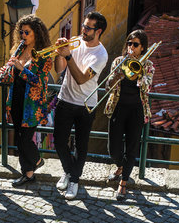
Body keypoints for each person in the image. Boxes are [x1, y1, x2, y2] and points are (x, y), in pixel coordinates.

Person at [53, 11, 108, 200]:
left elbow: (82, 78)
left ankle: (74, 180)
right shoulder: (75, 42)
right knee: (59, 141)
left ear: (98, 31)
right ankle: (69, 171)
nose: (83, 30)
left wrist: (68, 56)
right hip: (65, 99)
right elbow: (59, 69)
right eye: (84, 26)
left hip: (86, 104)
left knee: (81, 145)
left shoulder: (101, 55)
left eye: (88, 27)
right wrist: (59, 53)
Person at [0, 14, 52, 187]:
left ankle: (36, 160)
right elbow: (12, 78)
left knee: (25, 139)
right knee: (19, 138)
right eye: (21, 32)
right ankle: (27, 174)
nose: (23, 36)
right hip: (15, 100)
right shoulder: (18, 50)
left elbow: (39, 82)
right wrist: (5, 74)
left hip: (32, 104)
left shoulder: (44, 55)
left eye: (27, 32)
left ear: (36, 33)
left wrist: (21, 69)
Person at [104, 30, 155, 201]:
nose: (131, 47)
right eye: (129, 43)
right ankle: (120, 166)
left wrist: (138, 73)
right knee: (113, 148)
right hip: (118, 107)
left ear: (142, 48)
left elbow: (147, 88)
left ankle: (123, 182)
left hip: (136, 110)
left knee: (132, 147)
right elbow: (108, 86)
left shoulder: (148, 65)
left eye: (135, 44)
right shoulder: (119, 61)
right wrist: (117, 74)